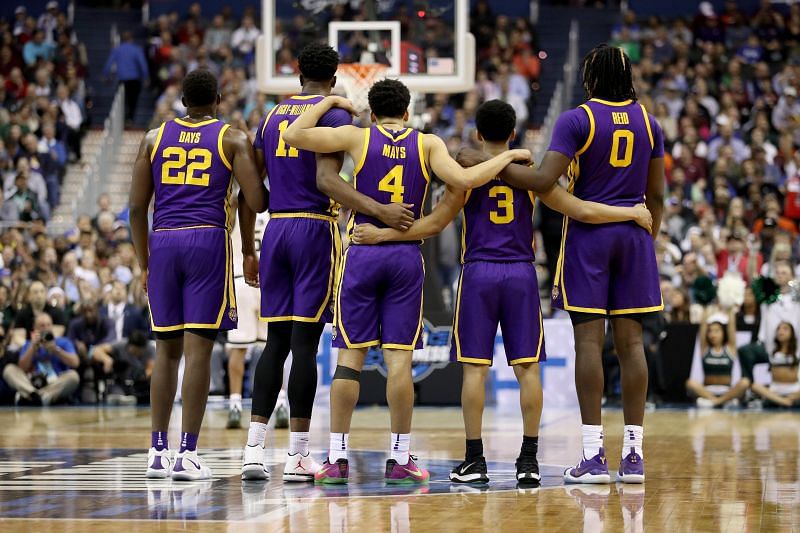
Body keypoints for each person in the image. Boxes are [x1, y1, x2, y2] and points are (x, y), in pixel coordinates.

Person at [351, 99, 654, 486]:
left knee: (474, 371)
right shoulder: (530, 174)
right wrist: (629, 213)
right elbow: (580, 211)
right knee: (527, 370)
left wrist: (381, 234)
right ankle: (528, 460)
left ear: (478, 133)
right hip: (521, 275)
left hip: (478, 274)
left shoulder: (466, 173)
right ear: (513, 134)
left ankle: (474, 461)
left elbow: (434, 224)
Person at [282, 79, 531, 484]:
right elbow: (467, 181)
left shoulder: (357, 136)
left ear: (374, 112)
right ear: (408, 111)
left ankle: (337, 457)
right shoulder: (428, 143)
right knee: (399, 360)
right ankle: (399, 458)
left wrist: (328, 99)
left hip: (362, 249)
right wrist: (509, 158)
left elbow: (293, 134)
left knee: (350, 359)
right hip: (404, 255)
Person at [459, 45, 665, 484]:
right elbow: (659, 196)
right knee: (632, 345)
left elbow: (539, 181)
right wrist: (646, 236)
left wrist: (485, 165)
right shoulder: (650, 122)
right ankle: (633, 456)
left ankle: (594, 455)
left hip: (589, 236)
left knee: (589, 344)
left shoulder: (578, 119)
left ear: (590, 77)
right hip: (634, 234)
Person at [240, 43, 414, 483]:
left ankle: (253, 450)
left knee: (273, 342)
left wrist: (249, 247)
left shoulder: (272, 116)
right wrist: (377, 210)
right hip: (314, 230)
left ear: (298, 73)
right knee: (304, 344)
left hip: (275, 229)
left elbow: (253, 196)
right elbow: (327, 182)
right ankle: (298, 454)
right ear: (336, 78)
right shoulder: (336, 115)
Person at [129, 68, 268, 481]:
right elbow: (256, 201)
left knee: (165, 352)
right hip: (207, 241)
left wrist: (144, 263)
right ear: (218, 100)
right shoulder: (232, 138)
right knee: (199, 352)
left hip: (165, 240)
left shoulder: (153, 138)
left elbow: (136, 209)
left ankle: (156, 451)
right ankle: (187, 452)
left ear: (183, 100)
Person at [224, 204, 269, 429]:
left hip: (241, 279)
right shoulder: (275, 207)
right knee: (273, 349)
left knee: (238, 349)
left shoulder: (234, 210)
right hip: (269, 282)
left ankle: (234, 404)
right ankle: (280, 402)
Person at [737, 261, 800, 382]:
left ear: (792, 275)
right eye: (777, 273)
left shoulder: (797, 297)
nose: (780, 275)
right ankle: (749, 388)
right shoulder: (766, 295)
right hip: (768, 346)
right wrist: (753, 253)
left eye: (784, 273)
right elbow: (753, 278)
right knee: (745, 351)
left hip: (794, 347)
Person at [2, 312, 79, 406]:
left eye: (48, 325)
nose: (46, 328)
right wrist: (32, 348)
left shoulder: (63, 342)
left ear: (52, 326)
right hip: (31, 383)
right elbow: (22, 368)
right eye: (42, 326)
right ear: (35, 329)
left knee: (74, 376)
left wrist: (56, 350)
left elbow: (75, 363)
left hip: (54, 383)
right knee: (9, 369)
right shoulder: (28, 344)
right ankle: (34, 395)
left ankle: (34, 397)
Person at [685, 308, 751, 407]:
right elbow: (703, 327)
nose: (713, 334)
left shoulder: (730, 349)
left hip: (727, 391)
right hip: (707, 391)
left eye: (716, 331)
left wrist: (729, 306)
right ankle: (719, 401)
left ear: (723, 333)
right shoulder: (705, 349)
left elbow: (731, 327)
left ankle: (716, 402)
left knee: (745, 382)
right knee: (690, 383)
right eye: (710, 331)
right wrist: (708, 308)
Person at [103, 32, 149, 123]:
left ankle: (122, 118)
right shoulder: (136, 49)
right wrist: (146, 77)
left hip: (122, 80)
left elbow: (108, 64)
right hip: (134, 80)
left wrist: (106, 75)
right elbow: (143, 64)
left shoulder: (117, 50)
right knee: (133, 100)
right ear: (131, 39)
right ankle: (130, 118)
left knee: (122, 100)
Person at [751, 322, 800, 407]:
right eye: (778, 329)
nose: (781, 331)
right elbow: (767, 329)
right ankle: (785, 401)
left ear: (792, 333)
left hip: (794, 390)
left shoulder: (797, 351)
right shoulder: (771, 351)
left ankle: (786, 400)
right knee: (754, 385)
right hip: (775, 391)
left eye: (785, 329)